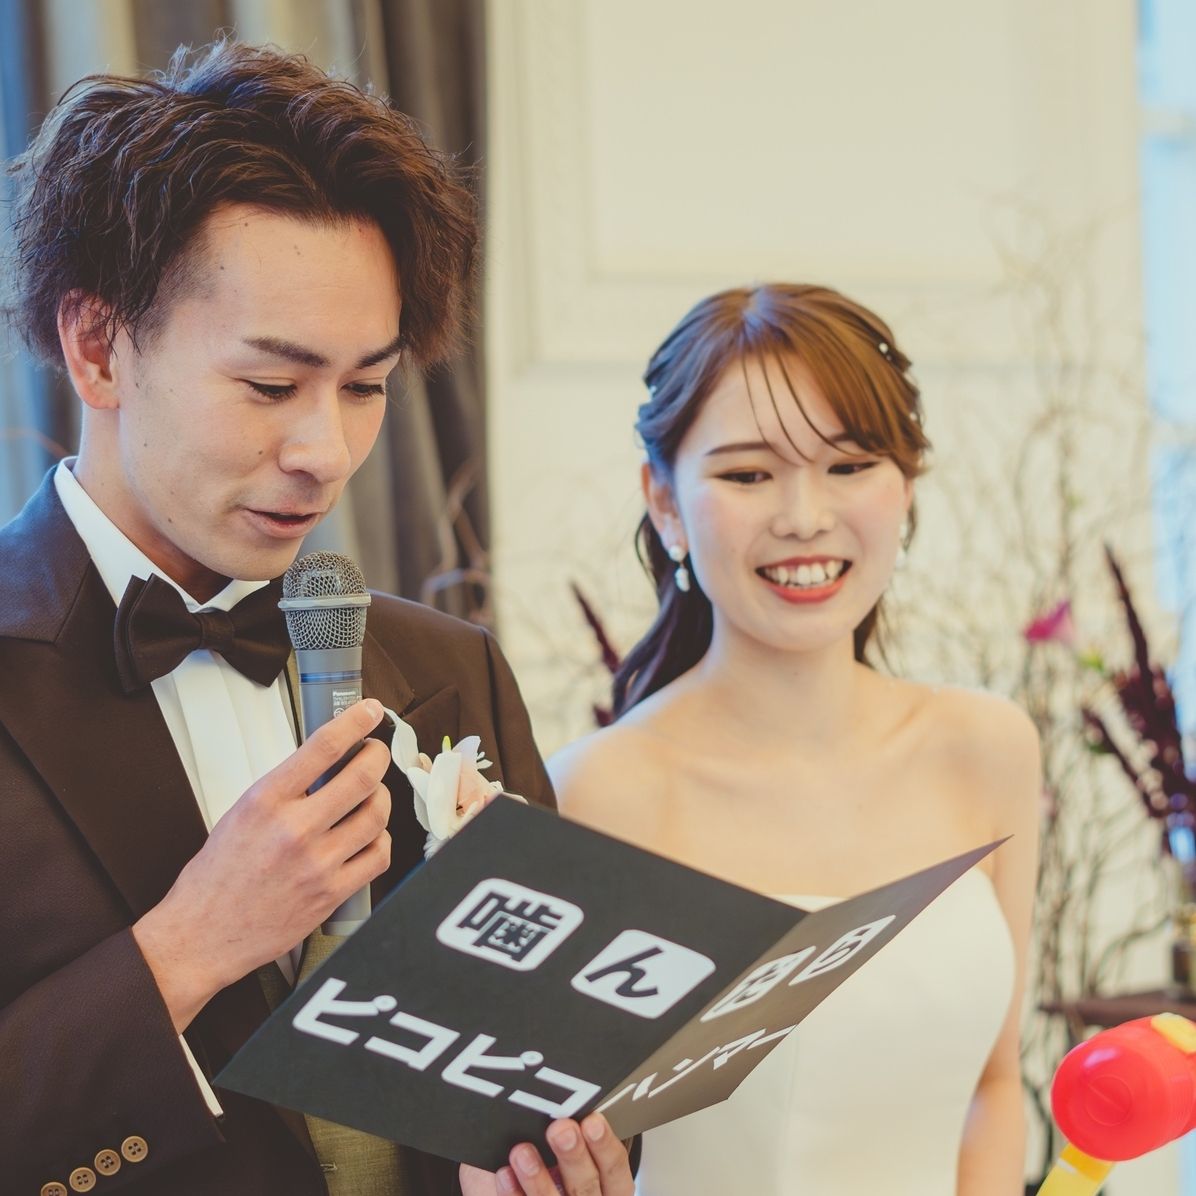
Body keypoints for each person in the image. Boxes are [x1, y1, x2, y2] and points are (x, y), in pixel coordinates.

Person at [0, 39, 634, 1196]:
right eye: (269, 384)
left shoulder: (448, 667)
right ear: (97, 346)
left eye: (365, 385)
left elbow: (563, 1068)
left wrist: (561, 1163)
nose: (325, 451)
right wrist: (187, 946)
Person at [550, 283, 1040, 1195]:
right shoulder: (597, 793)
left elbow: (995, 1085)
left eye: (849, 465)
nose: (805, 516)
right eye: (747, 475)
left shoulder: (988, 748)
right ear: (664, 501)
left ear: (905, 486)